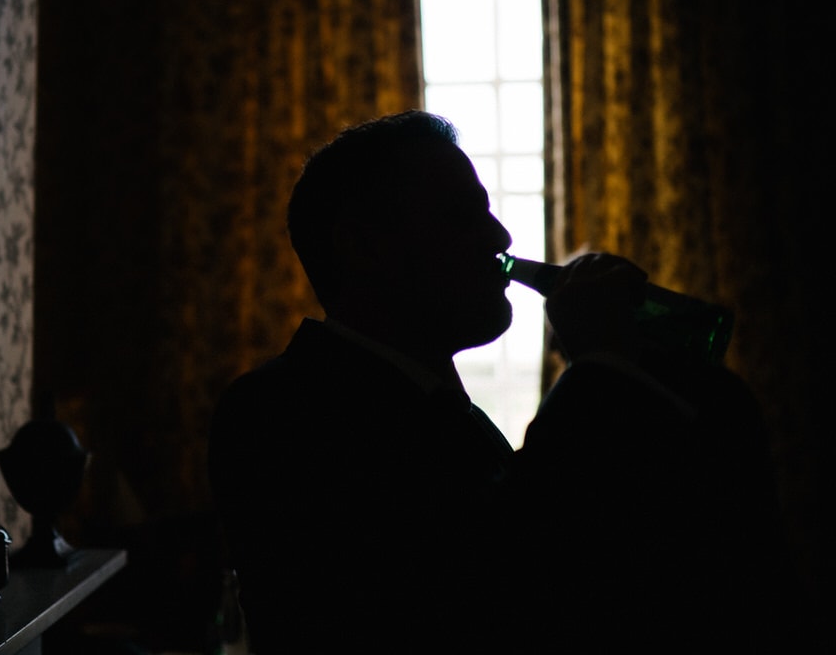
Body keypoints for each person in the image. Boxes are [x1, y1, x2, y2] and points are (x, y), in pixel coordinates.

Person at [207, 110, 798, 653]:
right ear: (363, 248)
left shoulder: (435, 403)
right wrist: (595, 371)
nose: (499, 239)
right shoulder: (278, 415)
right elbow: (500, 591)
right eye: (461, 217)